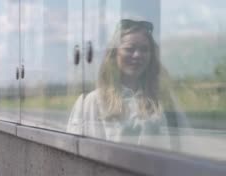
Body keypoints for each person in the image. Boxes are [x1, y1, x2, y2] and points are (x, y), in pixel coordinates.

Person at [67, 19, 187, 150]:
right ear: (114, 54)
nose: (137, 55)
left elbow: (184, 146)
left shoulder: (163, 99)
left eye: (144, 49)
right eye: (130, 49)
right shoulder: (92, 101)